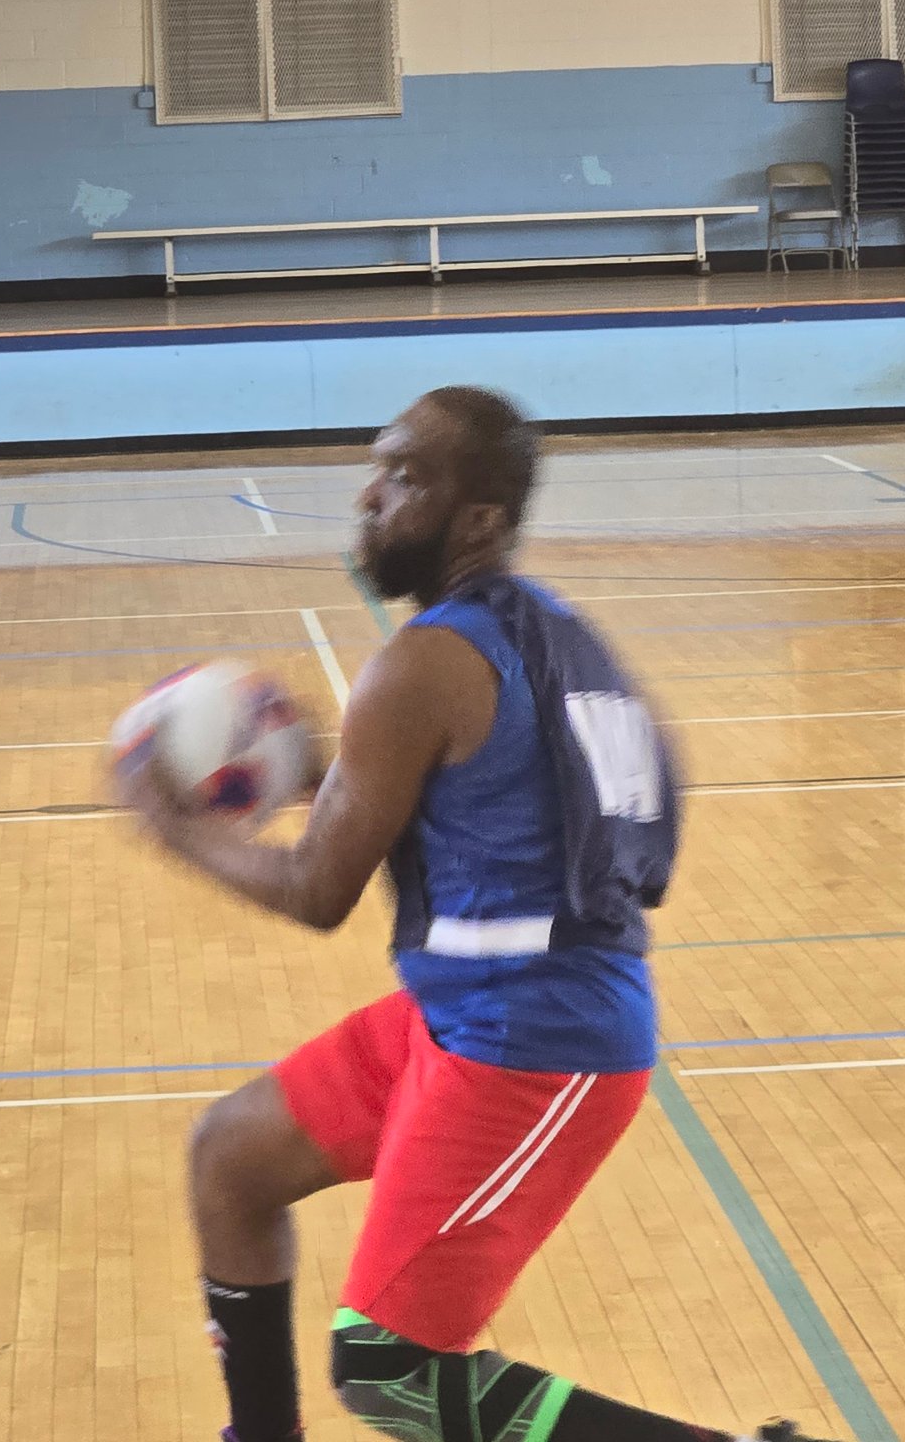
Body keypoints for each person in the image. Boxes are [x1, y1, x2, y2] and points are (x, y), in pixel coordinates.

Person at [118, 386, 832, 1442]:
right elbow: (524, 796)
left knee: (392, 1371)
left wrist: (171, 823)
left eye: (405, 477)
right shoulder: (552, 631)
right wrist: (345, 770)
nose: (370, 495)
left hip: (534, 1043)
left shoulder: (423, 664)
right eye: (378, 467)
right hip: (469, 1013)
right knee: (233, 1157)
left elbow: (318, 893)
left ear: (480, 519)